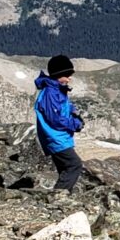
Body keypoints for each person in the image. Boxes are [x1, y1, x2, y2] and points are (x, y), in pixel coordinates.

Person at [33, 55, 87, 192]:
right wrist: (75, 124)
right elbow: (55, 119)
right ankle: (57, 196)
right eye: (67, 75)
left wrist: (73, 113)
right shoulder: (50, 93)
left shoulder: (56, 89)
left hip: (59, 137)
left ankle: (63, 195)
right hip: (55, 138)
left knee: (65, 169)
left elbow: (62, 109)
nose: (69, 78)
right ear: (58, 75)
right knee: (74, 165)